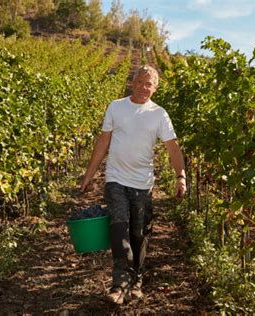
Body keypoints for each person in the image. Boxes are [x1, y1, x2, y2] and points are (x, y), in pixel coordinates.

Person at [80, 65, 186, 305]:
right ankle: (119, 284)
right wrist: (89, 174)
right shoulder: (116, 107)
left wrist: (181, 176)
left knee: (139, 235)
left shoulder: (159, 114)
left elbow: (173, 149)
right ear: (132, 82)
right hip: (116, 178)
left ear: (155, 88)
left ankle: (136, 280)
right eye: (140, 82)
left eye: (149, 84)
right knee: (119, 230)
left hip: (143, 183)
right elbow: (103, 141)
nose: (143, 88)